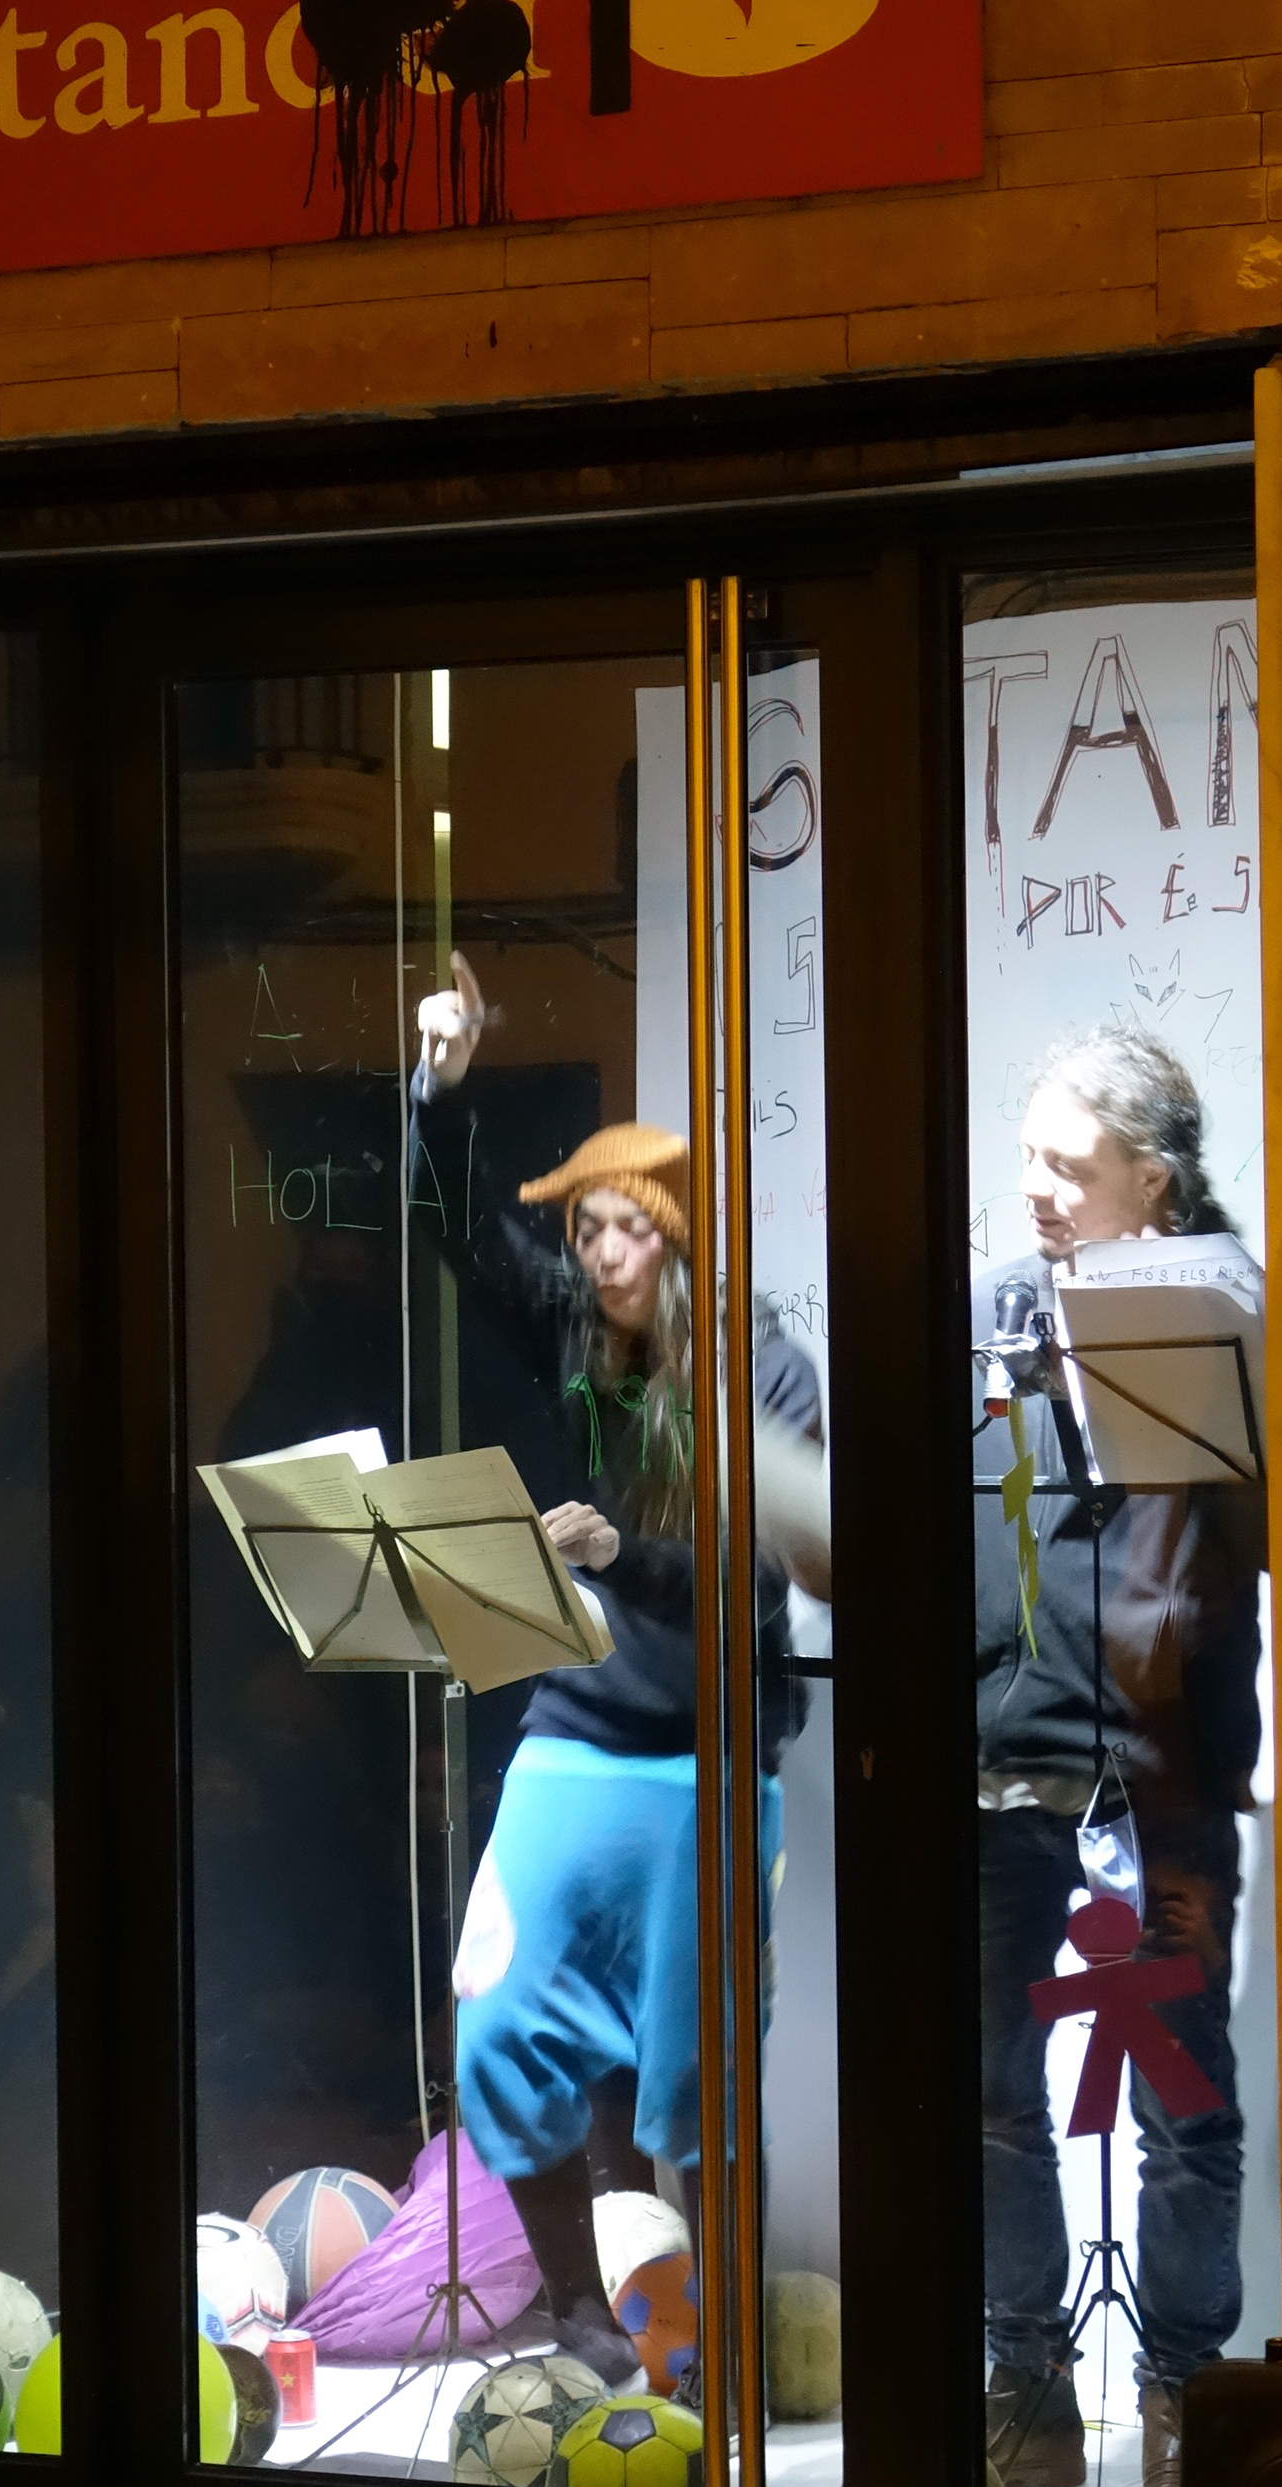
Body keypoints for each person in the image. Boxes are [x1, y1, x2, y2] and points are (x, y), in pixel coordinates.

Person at [413, 952, 823, 2389]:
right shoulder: (578, 1336)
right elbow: (463, 1235)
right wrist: (439, 1091)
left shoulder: (761, 1372)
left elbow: (752, 1581)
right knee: (496, 2019)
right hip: (578, 1732)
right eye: (584, 1229)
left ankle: (710, 2346)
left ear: (678, 1238)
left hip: (710, 1746)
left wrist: (616, 1555)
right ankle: (584, 2309)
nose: (598, 1255)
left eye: (624, 1230)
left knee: (698, 2077)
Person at [974, 1027, 1265, 2487]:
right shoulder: (995, 1314)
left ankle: (1181, 2413)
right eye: (1027, 1156)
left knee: (1183, 2108)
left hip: (1166, 1775)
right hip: (1004, 1759)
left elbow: (1270, 1535)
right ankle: (1024, 2389)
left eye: (1068, 1165)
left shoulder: (1228, 1314)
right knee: (991, 2099)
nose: (1036, 1188)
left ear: (1153, 1180)